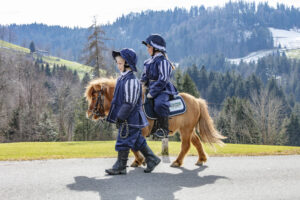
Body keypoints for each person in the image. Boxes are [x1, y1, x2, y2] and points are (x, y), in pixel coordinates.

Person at [105, 48, 161, 175]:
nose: (118, 66)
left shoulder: (131, 81)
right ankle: (152, 159)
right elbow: (117, 100)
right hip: (127, 117)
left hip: (130, 118)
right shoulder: (121, 79)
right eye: (117, 63)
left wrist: (120, 116)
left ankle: (120, 166)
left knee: (123, 139)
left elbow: (129, 102)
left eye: (120, 63)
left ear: (127, 64)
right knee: (137, 141)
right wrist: (114, 114)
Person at [141, 34, 178, 138]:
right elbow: (144, 78)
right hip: (149, 88)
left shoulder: (163, 61)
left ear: (156, 48)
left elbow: (163, 79)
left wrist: (152, 92)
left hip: (162, 89)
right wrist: (140, 87)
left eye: (149, 47)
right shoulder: (147, 62)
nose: (147, 49)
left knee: (160, 104)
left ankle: (163, 129)